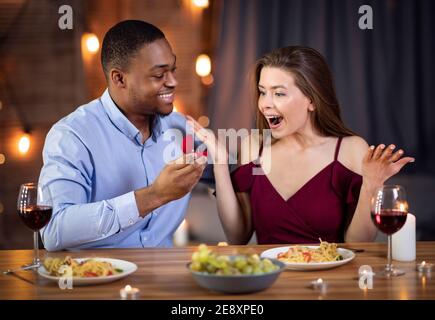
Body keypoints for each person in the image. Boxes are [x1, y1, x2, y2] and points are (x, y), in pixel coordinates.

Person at [189, 46, 415, 244]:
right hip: (271, 283)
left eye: (278, 93)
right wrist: (220, 163)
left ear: (312, 101)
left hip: (330, 284)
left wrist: (372, 184)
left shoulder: (351, 149)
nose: (265, 104)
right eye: (262, 92)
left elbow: (358, 243)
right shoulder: (254, 147)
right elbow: (237, 237)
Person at [39, 20, 208, 251]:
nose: (173, 82)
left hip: (167, 277)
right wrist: (153, 196)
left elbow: (232, 173)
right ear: (119, 79)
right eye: (159, 75)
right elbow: (54, 230)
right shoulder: (72, 136)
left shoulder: (181, 129)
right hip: (97, 278)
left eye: (172, 70)